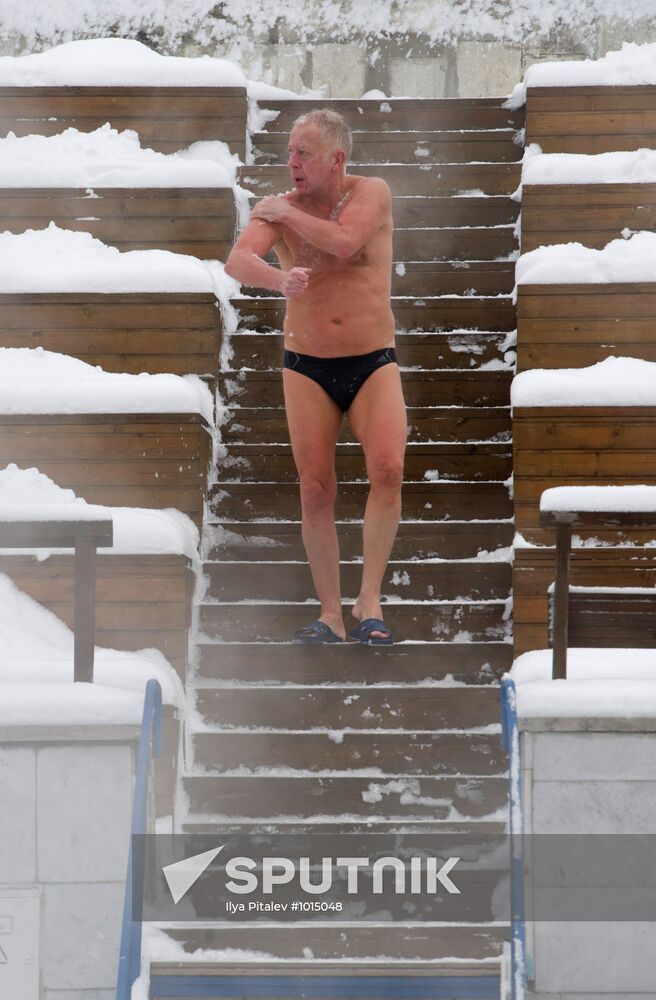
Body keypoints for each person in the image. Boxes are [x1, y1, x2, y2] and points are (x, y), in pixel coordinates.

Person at [224, 109, 406, 645]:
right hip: (308, 364)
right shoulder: (280, 209)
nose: (293, 162)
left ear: (336, 158)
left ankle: (368, 601)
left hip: (372, 360)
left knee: (389, 469)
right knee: (314, 487)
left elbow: (345, 242)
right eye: (289, 152)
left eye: (304, 153)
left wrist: (286, 212)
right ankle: (330, 614)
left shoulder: (371, 192)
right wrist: (277, 278)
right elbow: (238, 261)